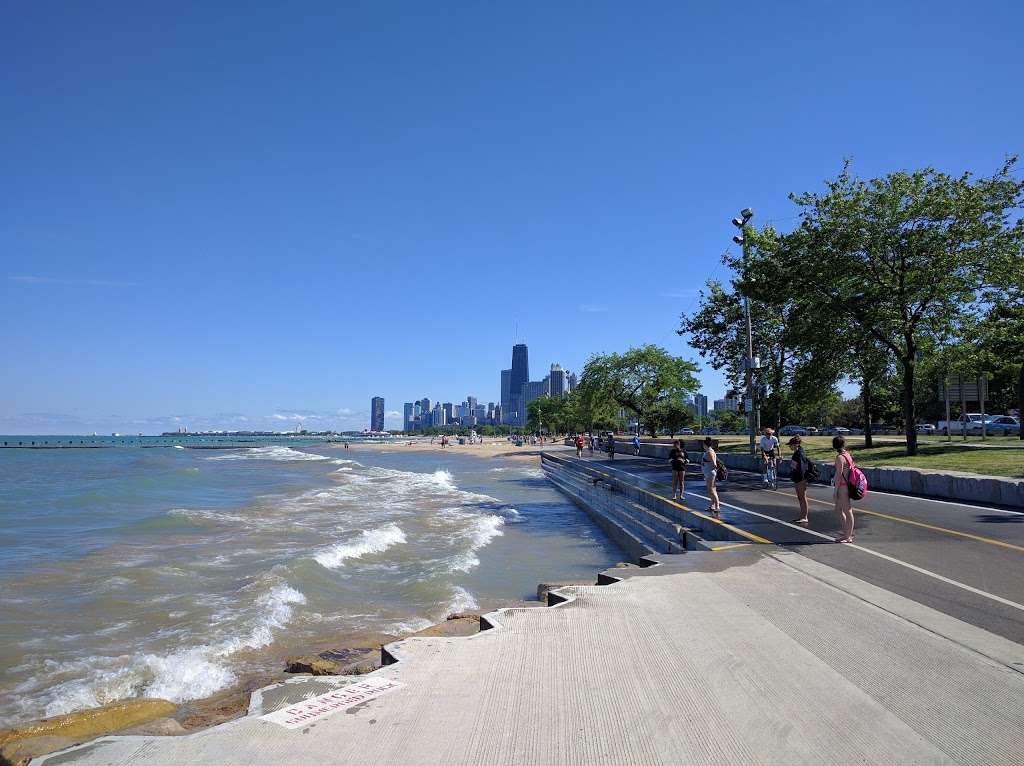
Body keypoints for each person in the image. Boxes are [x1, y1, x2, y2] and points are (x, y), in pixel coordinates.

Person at [832, 435, 855, 543]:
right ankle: (847, 533)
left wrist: (835, 491)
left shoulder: (840, 458)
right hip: (847, 485)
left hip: (842, 487)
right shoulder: (847, 455)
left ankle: (848, 536)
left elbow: (838, 475)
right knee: (838, 510)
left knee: (847, 510)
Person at [788, 435, 809, 523]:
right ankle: (802, 515)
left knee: (802, 497)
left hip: (800, 478)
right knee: (800, 497)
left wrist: (799, 478)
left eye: (791, 445)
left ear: (796, 444)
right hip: (797, 478)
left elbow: (801, 467)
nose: (790, 446)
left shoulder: (799, 453)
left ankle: (804, 516)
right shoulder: (798, 452)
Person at [701, 437, 720, 515]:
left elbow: (714, 464)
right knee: (710, 490)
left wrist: (713, 470)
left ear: (705, 445)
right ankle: (712, 505)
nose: (702, 446)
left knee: (712, 490)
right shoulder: (708, 451)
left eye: (703, 444)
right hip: (708, 473)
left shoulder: (710, 452)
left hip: (710, 473)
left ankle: (717, 506)